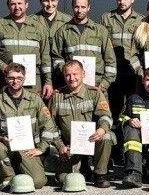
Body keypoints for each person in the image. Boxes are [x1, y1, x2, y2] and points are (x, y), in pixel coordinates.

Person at [0, 63, 59, 191]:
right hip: (7, 146)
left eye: (19, 78)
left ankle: (22, 170)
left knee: (38, 182)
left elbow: (49, 126)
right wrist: (1, 138)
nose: (15, 81)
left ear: (24, 79)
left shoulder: (35, 99)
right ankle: (8, 177)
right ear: (6, 78)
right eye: (11, 78)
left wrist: (41, 148)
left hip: (28, 148)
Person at [48, 60, 115, 188]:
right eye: (68, 75)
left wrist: (102, 129)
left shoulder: (94, 93)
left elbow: (105, 116)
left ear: (83, 74)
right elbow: (50, 125)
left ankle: (100, 174)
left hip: (92, 142)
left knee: (107, 136)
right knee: (64, 180)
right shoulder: (56, 96)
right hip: (70, 146)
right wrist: (60, 145)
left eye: (75, 74)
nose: (71, 78)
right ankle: (82, 168)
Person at [0, 0, 53, 98]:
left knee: (32, 113)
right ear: (8, 5)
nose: (17, 7)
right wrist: (3, 67)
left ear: (26, 4)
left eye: (20, 3)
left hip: (32, 85)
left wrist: (48, 81)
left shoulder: (39, 27)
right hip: (7, 83)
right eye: (13, 4)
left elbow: (45, 57)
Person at [101, 0, 145, 150]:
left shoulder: (141, 20)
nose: (122, 2)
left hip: (133, 73)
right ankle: (115, 149)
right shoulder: (107, 18)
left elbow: (142, 48)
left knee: (133, 109)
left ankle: (132, 146)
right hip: (114, 72)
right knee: (113, 110)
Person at [51, 0, 117, 91]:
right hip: (72, 86)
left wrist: (103, 84)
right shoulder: (63, 31)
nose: (80, 10)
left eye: (83, 7)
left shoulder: (101, 31)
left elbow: (110, 61)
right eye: (76, 7)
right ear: (72, 7)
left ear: (88, 7)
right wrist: (67, 71)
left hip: (96, 86)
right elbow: (56, 58)